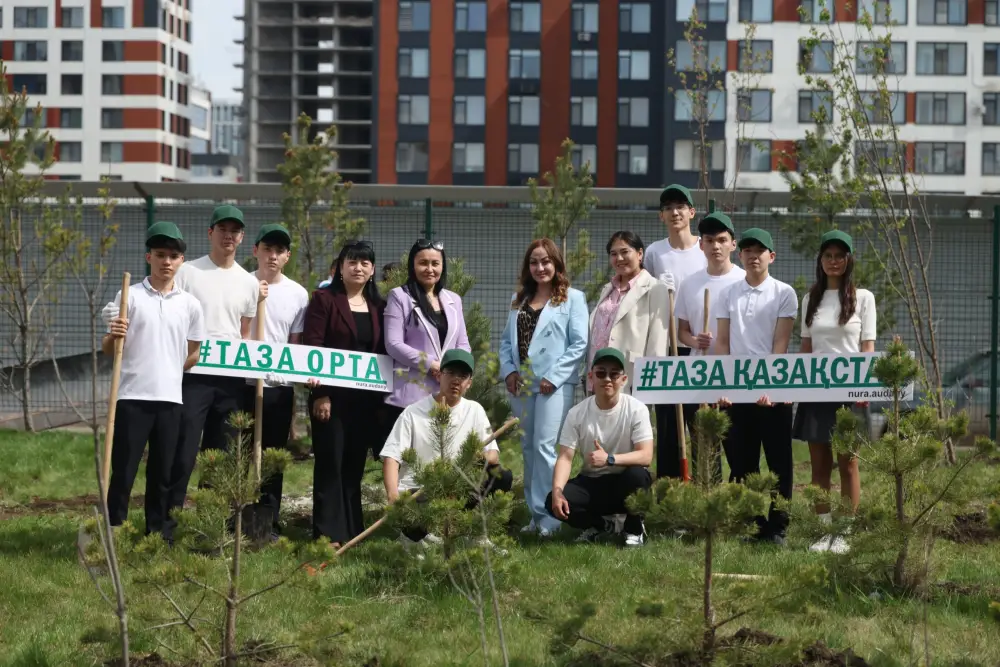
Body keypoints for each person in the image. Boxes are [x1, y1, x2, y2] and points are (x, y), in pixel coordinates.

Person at [101, 222, 205, 538]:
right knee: (124, 470)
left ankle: (158, 534)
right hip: (132, 397)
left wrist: (171, 369)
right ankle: (114, 530)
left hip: (171, 400)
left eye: (174, 256)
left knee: (163, 473)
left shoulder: (190, 305)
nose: (167, 262)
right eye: (160, 254)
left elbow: (194, 353)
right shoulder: (128, 296)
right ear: (149, 256)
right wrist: (113, 335)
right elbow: (109, 349)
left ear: (181, 261)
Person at [169, 204, 262, 538]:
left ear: (241, 237)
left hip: (231, 382)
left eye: (235, 230)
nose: (228, 236)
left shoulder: (248, 282)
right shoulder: (188, 272)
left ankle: (210, 526)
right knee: (182, 450)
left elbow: (244, 333)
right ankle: (170, 524)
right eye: (222, 229)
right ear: (210, 233)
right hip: (191, 376)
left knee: (221, 456)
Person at [381, 349, 514, 552]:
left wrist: (470, 457)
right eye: (451, 373)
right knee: (417, 511)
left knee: (501, 476)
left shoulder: (475, 410)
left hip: (458, 486)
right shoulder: (413, 413)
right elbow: (392, 457)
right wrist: (392, 495)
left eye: (463, 376)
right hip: (420, 490)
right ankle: (412, 539)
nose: (456, 380)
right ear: (438, 375)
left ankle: (475, 534)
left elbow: (493, 455)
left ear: (469, 383)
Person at [302, 240, 390, 547]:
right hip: (332, 399)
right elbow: (313, 347)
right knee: (330, 464)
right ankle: (327, 534)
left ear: (372, 270)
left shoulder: (380, 306)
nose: (358, 267)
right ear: (340, 267)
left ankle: (353, 531)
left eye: (365, 263)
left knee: (353, 466)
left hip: (366, 402)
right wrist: (320, 394)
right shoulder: (324, 300)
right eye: (352, 262)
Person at [714, 228, 798, 546]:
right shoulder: (728, 293)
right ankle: (751, 523)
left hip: (771, 392)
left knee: (779, 462)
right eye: (747, 250)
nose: (753, 255)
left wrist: (772, 387)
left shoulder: (784, 293)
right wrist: (724, 385)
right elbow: (722, 341)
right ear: (741, 255)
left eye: (760, 250)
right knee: (741, 461)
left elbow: (780, 344)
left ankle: (778, 527)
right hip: (736, 391)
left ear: (771, 256)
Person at [499, 239, 589, 537]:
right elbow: (505, 343)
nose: (540, 267)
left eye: (546, 261)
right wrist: (509, 371)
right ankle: (535, 516)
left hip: (553, 386)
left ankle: (551, 518)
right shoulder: (518, 300)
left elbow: (579, 343)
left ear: (556, 264)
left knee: (545, 447)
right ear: (528, 267)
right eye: (534, 262)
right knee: (527, 449)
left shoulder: (572, 298)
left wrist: (555, 375)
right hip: (521, 386)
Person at [795, 230, 876, 554]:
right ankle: (822, 530)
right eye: (828, 255)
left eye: (840, 256)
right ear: (821, 260)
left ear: (849, 260)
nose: (833, 261)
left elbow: (867, 347)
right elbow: (805, 346)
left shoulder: (863, 298)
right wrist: (797, 384)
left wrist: (865, 386)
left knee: (848, 463)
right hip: (816, 390)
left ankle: (844, 533)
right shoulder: (809, 298)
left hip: (851, 391)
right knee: (818, 465)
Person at [546, 347, 654, 547]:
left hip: (625, 480)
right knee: (553, 500)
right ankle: (600, 525)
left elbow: (646, 455)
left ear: (623, 379)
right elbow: (565, 457)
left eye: (614, 374)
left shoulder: (637, 409)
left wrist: (610, 459)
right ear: (591, 377)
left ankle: (634, 528)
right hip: (593, 481)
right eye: (601, 373)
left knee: (638, 475)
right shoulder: (577, 413)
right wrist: (557, 491)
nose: (607, 379)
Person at [243, 223, 309, 539]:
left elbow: (295, 343)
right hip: (241, 382)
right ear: (255, 251)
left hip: (278, 386)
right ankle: (235, 515)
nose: (273, 255)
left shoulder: (298, 294)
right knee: (240, 452)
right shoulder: (241, 284)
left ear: (287, 256)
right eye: (267, 248)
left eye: (279, 250)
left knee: (273, 455)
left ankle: (269, 518)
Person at [671, 212, 746, 483]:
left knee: (737, 446)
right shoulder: (690, 284)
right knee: (703, 447)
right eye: (709, 240)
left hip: (734, 373)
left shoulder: (744, 280)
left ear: (733, 245)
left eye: (722, 240)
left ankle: (737, 510)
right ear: (701, 245)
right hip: (699, 373)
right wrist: (694, 341)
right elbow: (682, 332)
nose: (715, 246)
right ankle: (705, 509)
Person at [643, 185, 709, 484]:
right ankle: (669, 488)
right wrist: (658, 289)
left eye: (681, 206)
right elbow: (642, 292)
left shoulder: (705, 248)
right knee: (670, 423)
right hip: (667, 346)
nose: (675, 212)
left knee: (700, 421)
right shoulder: (656, 252)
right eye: (668, 207)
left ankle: (704, 485)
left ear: (692, 212)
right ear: (661, 215)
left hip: (701, 347)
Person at [384, 239, 471, 420]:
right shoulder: (399, 296)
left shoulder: (454, 299)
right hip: (410, 394)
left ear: (442, 266)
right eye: (423, 263)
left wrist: (453, 369)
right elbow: (393, 344)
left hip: (447, 394)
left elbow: (462, 343)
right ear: (412, 266)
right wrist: (431, 364)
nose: (429, 269)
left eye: (435, 264)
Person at [589, 231, 669, 393]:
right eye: (613, 254)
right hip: (599, 375)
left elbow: (658, 340)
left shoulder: (655, 287)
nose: (619, 258)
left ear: (640, 254)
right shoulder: (607, 289)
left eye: (625, 252)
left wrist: (649, 381)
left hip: (631, 375)